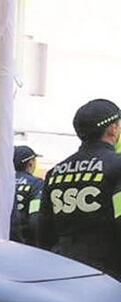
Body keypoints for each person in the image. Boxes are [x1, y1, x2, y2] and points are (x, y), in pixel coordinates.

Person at [36, 99, 121, 279]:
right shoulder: (117, 165)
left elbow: (42, 226)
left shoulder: (55, 172)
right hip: (109, 273)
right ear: (113, 129)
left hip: (66, 269)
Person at [10, 145, 43, 244]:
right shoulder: (36, 184)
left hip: (3, 237)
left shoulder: (4, 181)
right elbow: (35, 216)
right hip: (25, 242)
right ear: (30, 164)